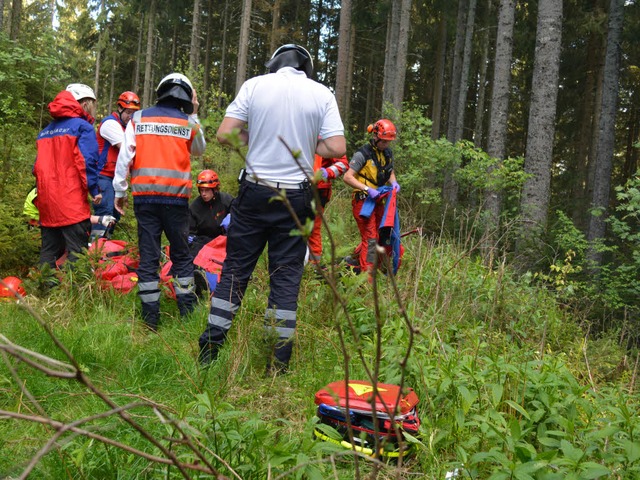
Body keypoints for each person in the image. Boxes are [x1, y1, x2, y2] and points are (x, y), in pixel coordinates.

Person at [198, 43, 346, 371]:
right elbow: (337, 146)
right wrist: (307, 143)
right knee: (286, 276)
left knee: (235, 270)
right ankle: (277, 363)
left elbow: (225, 134)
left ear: (274, 64)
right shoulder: (322, 93)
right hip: (297, 197)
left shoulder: (254, 85)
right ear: (305, 68)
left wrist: (259, 137)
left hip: (254, 191)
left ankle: (208, 352)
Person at [113, 73, 206, 331]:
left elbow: (124, 157)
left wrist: (119, 192)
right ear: (188, 97)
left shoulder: (139, 118)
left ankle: (150, 320)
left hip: (145, 200)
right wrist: (195, 112)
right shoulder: (188, 121)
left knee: (149, 258)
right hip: (176, 201)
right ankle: (187, 313)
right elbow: (199, 149)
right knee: (181, 255)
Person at [33, 83, 102, 269]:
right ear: (85, 103)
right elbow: (87, 163)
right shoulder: (82, 128)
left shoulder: (45, 132)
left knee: (49, 249)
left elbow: (37, 168)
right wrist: (94, 190)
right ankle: (72, 293)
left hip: (47, 201)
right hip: (71, 201)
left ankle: (45, 290)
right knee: (76, 251)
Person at [343, 119, 400, 275]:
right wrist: (367, 189)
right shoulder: (363, 154)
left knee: (382, 234)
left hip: (379, 201)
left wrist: (394, 183)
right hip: (363, 201)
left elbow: (390, 172)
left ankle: (354, 260)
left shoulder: (387, 153)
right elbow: (348, 177)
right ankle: (367, 277)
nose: (386, 144)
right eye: (384, 141)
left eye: (389, 141)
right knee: (371, 239)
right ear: (376, 136)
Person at [92, 91, 141, 239]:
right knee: (105, 212)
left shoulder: (129, 128)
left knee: (114, 215)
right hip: (103, 176)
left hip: (115, 178)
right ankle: (96, 248)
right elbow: (127, 150)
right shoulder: (110, 124)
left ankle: (105, 247)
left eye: (133, 113)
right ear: (119, 109)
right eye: (127, 112)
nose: (130, 116)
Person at [308, 153, 349, 264]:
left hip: (317, 190)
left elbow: (343, 164)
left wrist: (326, 172)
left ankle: (313, 267)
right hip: (293, 186)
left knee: (313, 229)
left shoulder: (327, 137)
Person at [188, 169, 234, 257]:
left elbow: (240, 213)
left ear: (215, 189)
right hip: (204, 243)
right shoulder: (194, 207)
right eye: (201, 190)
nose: (203, 194)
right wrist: (190, 236)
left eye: (207, 190)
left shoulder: (226, 200)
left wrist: (232, 216)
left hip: (224, 241)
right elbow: (190, 231)